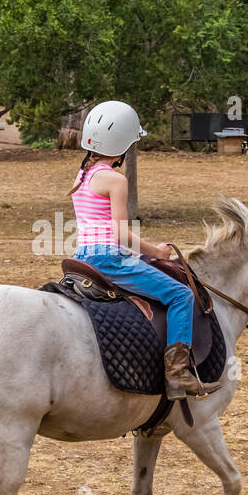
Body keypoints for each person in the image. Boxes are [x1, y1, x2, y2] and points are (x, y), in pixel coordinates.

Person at [69, 100, 219, 399]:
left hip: (82, 256)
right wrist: (158, 252)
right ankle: (177, 374)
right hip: (108, 259)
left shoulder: (81, 176)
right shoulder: (115, 179)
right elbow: (119, 233)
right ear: (123, 143)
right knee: (181, 294)